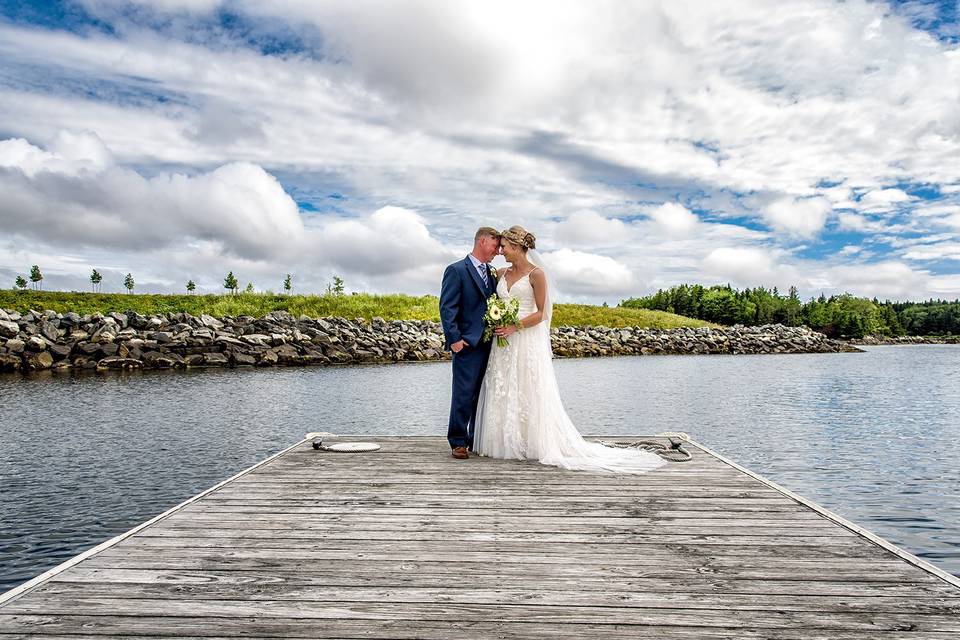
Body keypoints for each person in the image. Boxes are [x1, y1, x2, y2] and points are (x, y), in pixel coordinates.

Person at [473, 225, 663, 474]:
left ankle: (531, 442)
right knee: (504, 385)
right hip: (503, 343)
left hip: (524, 337)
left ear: (517, 247)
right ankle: (502, 441)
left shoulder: (536, 274)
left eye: (505, 247)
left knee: (528, 385)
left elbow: (541, 313)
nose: (501, 251)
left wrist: (514, 326)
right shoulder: (499, 273)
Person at [439, 227, 501, 459]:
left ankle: (476, 437)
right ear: (483, 241)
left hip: (491, 344)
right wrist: (454, 340)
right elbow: (447, 307)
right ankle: (457, 441)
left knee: (483, 393)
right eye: (495, 246)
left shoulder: (493, 272)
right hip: (466, 343)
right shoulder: (456, 270)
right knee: (463, 393)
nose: (497, 251)